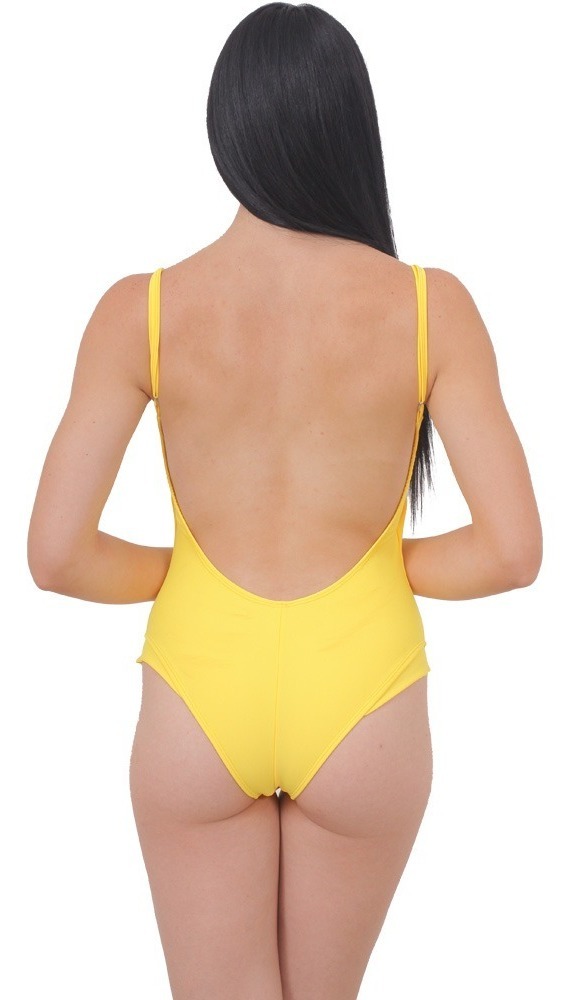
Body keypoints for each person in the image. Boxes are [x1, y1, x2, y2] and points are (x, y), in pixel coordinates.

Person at [27, 3, 542, 998]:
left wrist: (191, 572)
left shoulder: (141, 310)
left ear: (226, 129)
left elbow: (57, 556)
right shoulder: (431, 307)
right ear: (350, 128)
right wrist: (372, 565)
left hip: (198, 692)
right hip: (364, 696)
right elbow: (512, 552)